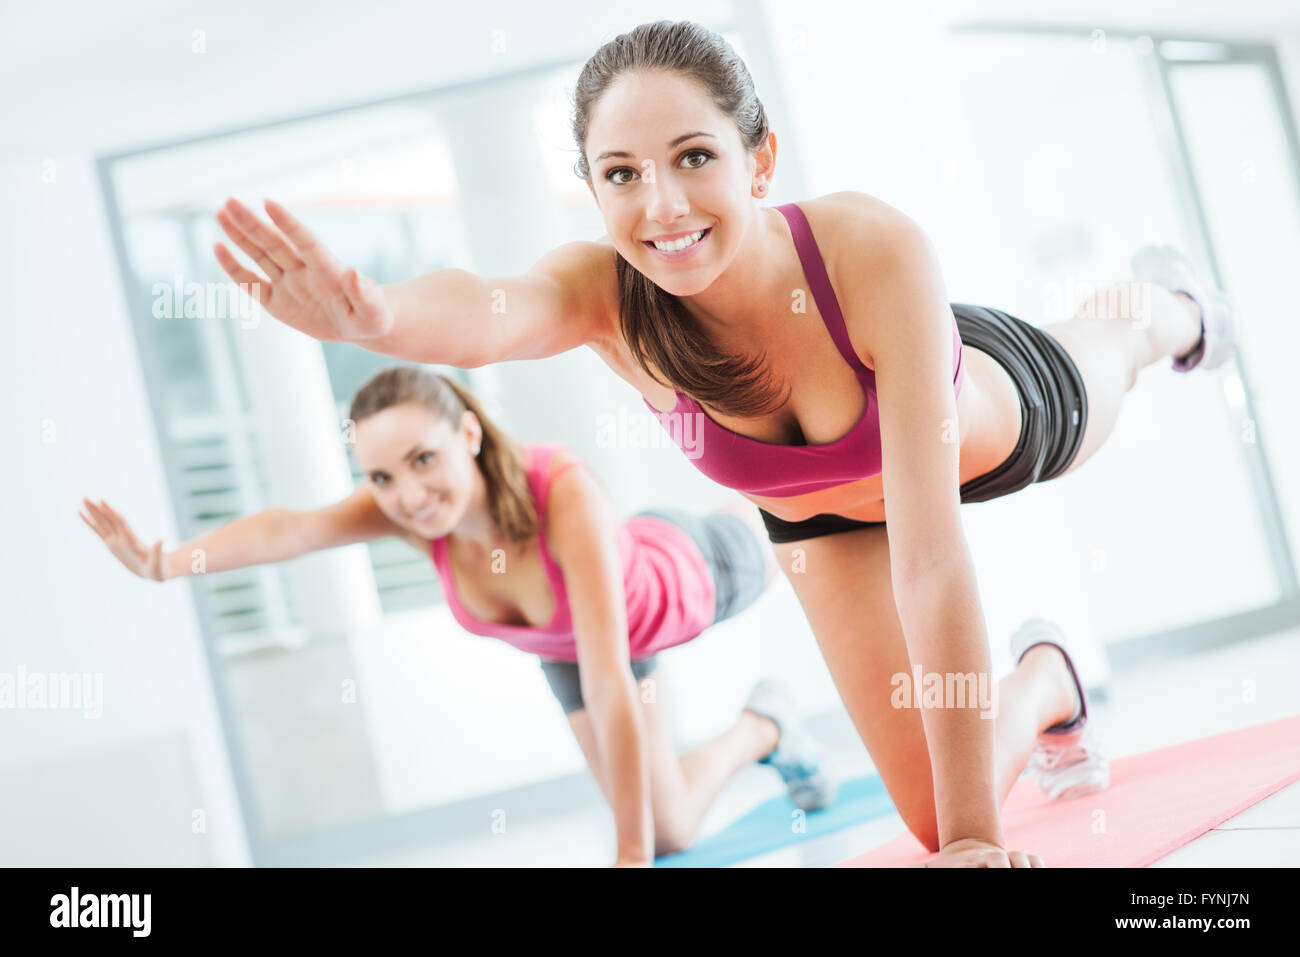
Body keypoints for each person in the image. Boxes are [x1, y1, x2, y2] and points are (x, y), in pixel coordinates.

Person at [209, 20, 1235, 867]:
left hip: (1002, 421)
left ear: (759, 158)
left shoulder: (869, 245)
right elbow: (487, 312)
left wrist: (981, 838)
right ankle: (1049, 675)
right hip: (819, 520)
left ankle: (1173, 304)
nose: (661, 206)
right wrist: (374, 317)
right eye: (621, 174)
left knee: (1123, 343)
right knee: (927, 817)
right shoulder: (606, 297)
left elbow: (928, 557)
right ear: (593, 187)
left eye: (693, 157)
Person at [81, 366, 838, 867]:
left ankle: (811, 492)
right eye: (380, 475)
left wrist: (627, 857)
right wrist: (166, 562)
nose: (407, 493)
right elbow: (290, 528)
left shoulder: (558, 489)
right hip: (575, 651)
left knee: (811, 516)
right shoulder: (410, 515)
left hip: (691, 572)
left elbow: (612, 679)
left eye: (422, 460)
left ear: (468, 436)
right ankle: (765, 723)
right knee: (672, 829)